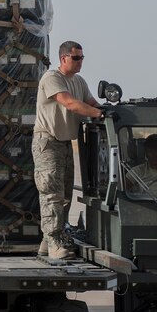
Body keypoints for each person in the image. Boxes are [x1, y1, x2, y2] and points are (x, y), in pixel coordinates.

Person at [33, 40, 103, 260]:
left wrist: (109, 110)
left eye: (82, 58)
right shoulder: (52, 78)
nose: (80, 61)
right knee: (51, 194)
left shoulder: (79, 81)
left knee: (64, 195)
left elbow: (92, 102)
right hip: (48, 142)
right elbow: (70, 103)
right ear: (63, 58)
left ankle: (50, 240)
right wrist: (97, 113)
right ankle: (54, 242)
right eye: (76, 58)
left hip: (64, 143)